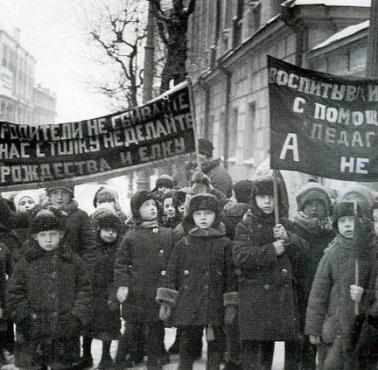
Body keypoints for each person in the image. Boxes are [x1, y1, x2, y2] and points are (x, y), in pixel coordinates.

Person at [232, 177, 306, 370]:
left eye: (271, 197)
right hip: (257, 299)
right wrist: (272, 250)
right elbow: (241, 256)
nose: (267, 202)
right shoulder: (245, 226)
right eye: (262, 197)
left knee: (292, 352)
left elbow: (305, 253)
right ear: (254, 199)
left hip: (283, 299)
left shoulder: (286, 225)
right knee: (258, 358)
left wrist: (289, 238)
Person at [157, 193, 237, 370]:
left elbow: (231, 276)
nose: (203, 218)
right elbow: (171, 272)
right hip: (189, 304)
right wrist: (167, 300)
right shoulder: (183, 243)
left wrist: (231, 303)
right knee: (187, 348)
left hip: (214, 306)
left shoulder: (224, 244)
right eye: (198, 214)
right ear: (191, 216)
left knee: (215, 350)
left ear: (216, 216)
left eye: (207, 213)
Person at [6, 211, 92, 370]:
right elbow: (14, 293)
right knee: (34, 365)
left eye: (52, 234)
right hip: (33, 329)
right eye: (43, 234)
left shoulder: (73, 261)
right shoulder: (26, 262)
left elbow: (85, 290)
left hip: (65, 328)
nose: (48, 239)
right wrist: (24, 318)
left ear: (61, 235)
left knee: (63, 365)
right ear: (34, 237)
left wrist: (76, 317)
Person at [305, 202, 376, 370]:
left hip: (362, 328)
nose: (347, 225)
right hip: (335, 328)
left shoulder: (371, 251)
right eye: (342, 221)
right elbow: (318, 293)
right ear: (336, 225)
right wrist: (314, 328)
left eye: (352, 220)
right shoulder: (331, 254)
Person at [113, 191, 177, 369]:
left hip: (158, 292)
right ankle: (119, 361)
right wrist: (123, 284)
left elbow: (174, 262)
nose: (151, 208)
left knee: (156, 329)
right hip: (136, 293)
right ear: (136, 211)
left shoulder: (168, 234)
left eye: (153, 204)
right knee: (131, 329)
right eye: (145, 205)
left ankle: (154, 362)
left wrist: (170, 288)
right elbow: (121, 263)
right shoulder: (131, 236)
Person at [292, 181, 335, 370]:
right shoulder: (293, 229)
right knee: (298, 351)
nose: (314, 208)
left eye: (319, 203)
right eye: (309, 204)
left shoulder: (332, 233)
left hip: (324, 299)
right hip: (299, 296)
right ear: (302, 207)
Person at [91, 213, 123, 370]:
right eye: (106, 230)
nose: (110, 234)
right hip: (94, 293)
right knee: (89, 325)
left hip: (111, 293)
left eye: (114, 231)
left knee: (109, 326)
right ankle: (86, 354)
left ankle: (105, 355)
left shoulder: (119, 250)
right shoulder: (93, 249)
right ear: (99, 230)